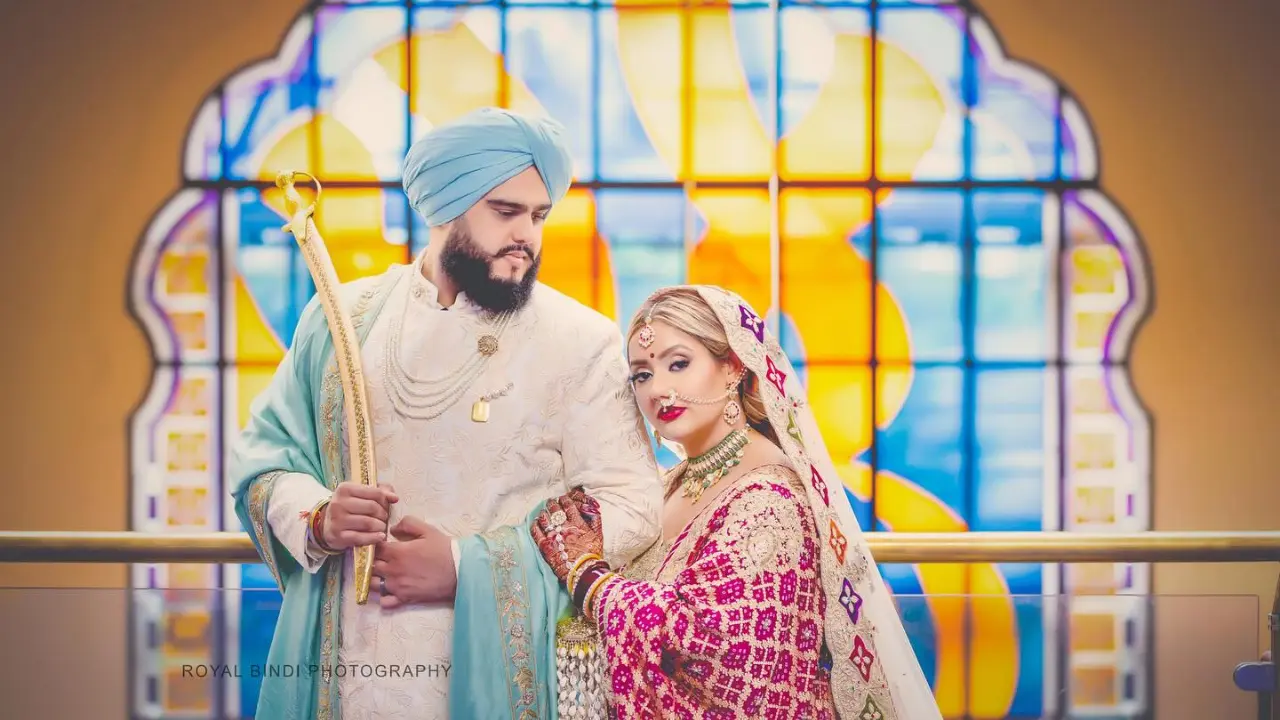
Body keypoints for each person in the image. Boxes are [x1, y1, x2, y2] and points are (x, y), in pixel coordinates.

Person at [231, 107, 663, 720]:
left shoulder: (579, 341)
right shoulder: (341, 321)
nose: (527, 237)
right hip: (346, 668)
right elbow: (266, 459)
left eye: (538, 216)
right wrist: (320, 516)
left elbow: (633, 506)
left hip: (500, 677)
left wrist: (467, 567)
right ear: (444, 208)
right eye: (505, 212)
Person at [530, 286, 944, 719]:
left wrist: (586, 574)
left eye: (678, 364)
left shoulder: (770, 500)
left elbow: (711, 641)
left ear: (732, 367)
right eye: (642, 374)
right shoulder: (671, 485)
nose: (659, 389)